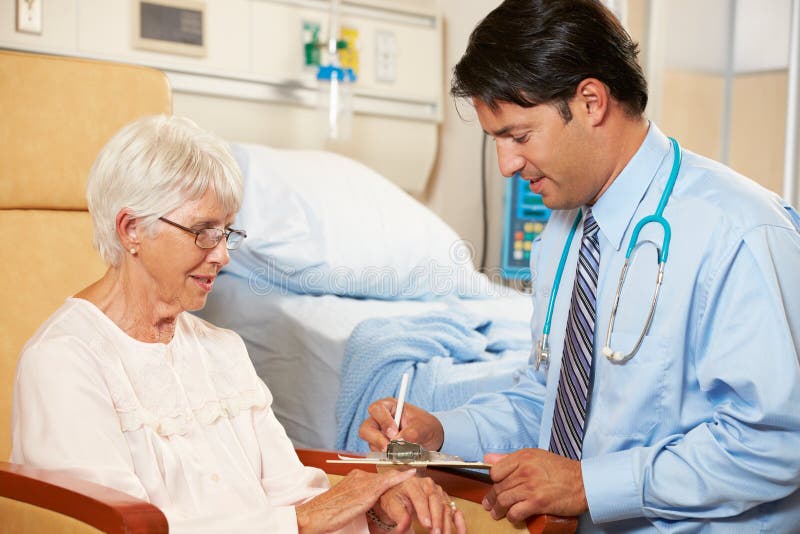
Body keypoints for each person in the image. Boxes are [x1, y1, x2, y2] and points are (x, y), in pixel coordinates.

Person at [359, 0, 800, 531]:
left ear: (591, 101)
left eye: (519, 137)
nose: (506, 165)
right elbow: (549, 400)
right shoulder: (564, 233)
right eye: (495, 141)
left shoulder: (739, 231)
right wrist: (442, 435)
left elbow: (776, 440)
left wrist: (589, 483)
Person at [10, 114, 467, 534]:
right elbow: (117, 525)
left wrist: (376, 506)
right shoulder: (64, 361)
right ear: (132, 229)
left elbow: (293, 494)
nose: (223, 255)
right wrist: (309, 517)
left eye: (227, 232)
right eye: (203, 231)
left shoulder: (221, 349)